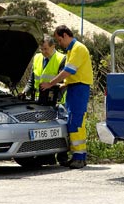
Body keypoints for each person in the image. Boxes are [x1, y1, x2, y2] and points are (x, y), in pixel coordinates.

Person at [40, 25, 93, 169]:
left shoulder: (78, 48)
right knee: (72, 122)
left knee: (76, 122)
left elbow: (69, 70)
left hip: (79, 89)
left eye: (59, 40)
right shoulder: (71, 50)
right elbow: (72, 73)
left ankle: (80, 157)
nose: (59, 44)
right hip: (73, 88)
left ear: (65, 35)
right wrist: (65, 85)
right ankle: (76, 156)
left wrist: (51, 83)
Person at [19, 35, 69, 166]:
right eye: (41, 49)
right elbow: (32, 80)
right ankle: (47, 156)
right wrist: (25, 91)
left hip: (58, 101)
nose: (43, 51)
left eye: (46, 49)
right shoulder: (37, 58)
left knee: (60, 128)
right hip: (40, 102)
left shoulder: (62, 58)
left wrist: (52, 88)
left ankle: (62, 156)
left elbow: (64, 81)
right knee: (43, 131)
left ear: (53, 46)